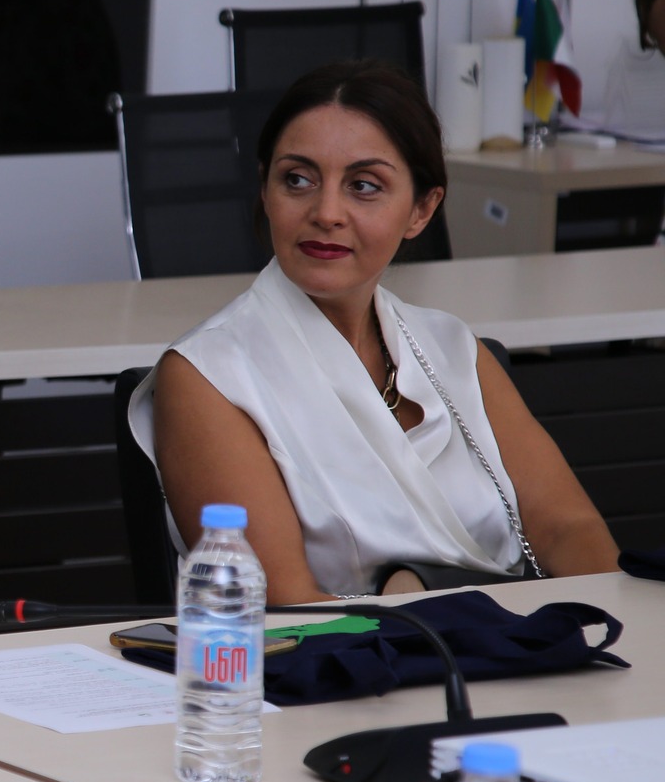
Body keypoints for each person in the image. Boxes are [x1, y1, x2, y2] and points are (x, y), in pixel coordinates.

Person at [129, 60, 619, 604]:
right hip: (358, 657)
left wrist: (618, 626)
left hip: (523, 644)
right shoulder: (210, 375)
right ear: (265, 189)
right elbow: (285, 606)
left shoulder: (452, 348)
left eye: (364, 186)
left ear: (421, 210)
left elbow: (567, 529)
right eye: (297, 179)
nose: (326, 212)